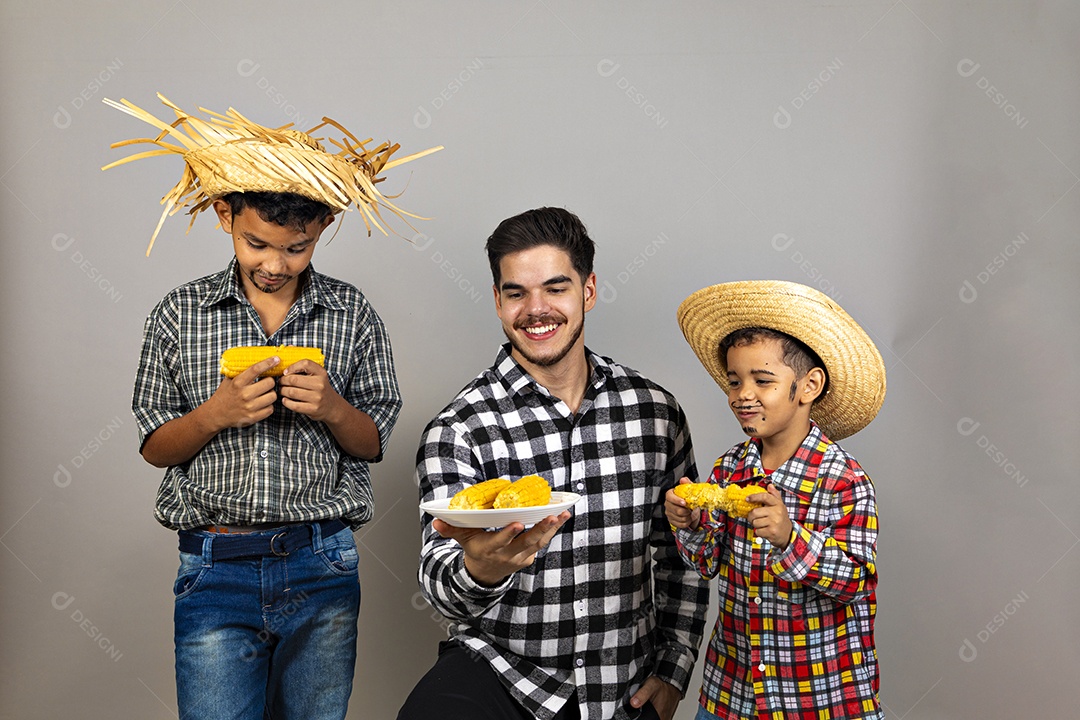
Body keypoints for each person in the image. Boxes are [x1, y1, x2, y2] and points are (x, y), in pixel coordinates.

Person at [111, 94, 436, 719]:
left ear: (323, 229)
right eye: (256, 243)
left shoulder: (351, 314)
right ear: (224, 215)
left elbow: (372, 442)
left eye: (297, 248)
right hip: (215, 566)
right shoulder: (179, 313)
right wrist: (214, 414)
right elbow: (154, 447)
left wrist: (333, 407)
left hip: (322, 563)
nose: (274, 264)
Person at [398, 207, 710, 720]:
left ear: (589, 290)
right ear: (497, 301)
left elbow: (683, 555)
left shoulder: (654, 413)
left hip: (622, 685)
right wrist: (480, 570)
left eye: (555, 288)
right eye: (516, 293)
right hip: (505, 673)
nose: (536, 310)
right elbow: (439, 580)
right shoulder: (458, 429)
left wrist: (674, 669)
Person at [666, 280, 886, 720]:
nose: (742, 395)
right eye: (734, 381)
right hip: (732, 693)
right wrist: (690, 525)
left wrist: (790, 538)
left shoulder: (844, 479)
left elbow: (856, 582)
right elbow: (708, 563)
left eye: (762, 380)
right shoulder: (729, 468)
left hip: (819, 699)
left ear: (808, 386)